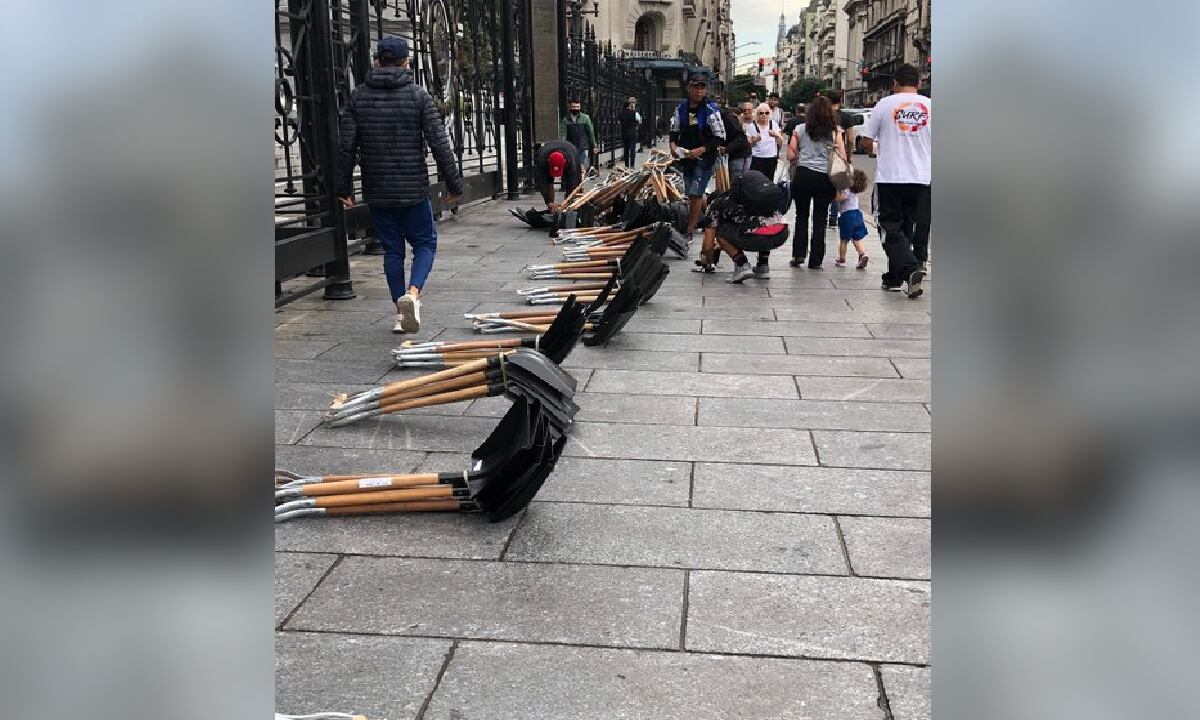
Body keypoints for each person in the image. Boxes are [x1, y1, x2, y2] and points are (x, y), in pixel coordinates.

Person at [337, 36, 462, 334]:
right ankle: (414, 293)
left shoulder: (359, 97)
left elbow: (346, 147)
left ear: (377, 61)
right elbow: (439, 143)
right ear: (407, 62)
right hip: (413, 189)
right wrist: (453, 183)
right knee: (425, 243)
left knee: (392, 250)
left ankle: (399, 310)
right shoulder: (418, 96)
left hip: (377, 190)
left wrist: (344, 188)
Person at [860, 63, 930, 297]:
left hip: (891, 177)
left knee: (888, 227)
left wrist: (875, 150)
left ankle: (909, 268)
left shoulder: (884, 104)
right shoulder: (932, 106)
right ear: (918, 84)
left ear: (894, 84)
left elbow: (866, 142)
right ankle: (895, 277)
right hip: (922, 178)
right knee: (906, 228)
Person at [786, 95, 848, 269]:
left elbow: (790, 155)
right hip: (825, 178)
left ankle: (798, 255)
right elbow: (842, 158)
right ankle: (816, 260)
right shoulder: (835, 132)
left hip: (803, 176)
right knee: (820, 219)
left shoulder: (799, 128)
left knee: (801, 216)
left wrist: (801, 154)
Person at [669, 73, 726, 238]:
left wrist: (702, 150)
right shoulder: (681, 108)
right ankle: (710, 216)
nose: (699, 91)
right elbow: (674, 130)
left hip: (704, 159)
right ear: (689, 88)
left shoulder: (711, 109)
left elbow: (719, 136)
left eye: (702, 88)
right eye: (696, 87)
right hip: (686, 157)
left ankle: (690, 230)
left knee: (695, 193)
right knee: (691, 192)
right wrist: (673, 146)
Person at [822, 89, 864, 229]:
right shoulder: (846, 117)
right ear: (840, 101)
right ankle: (833, 217)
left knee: (823, 185)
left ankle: (821, 214)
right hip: (839, 156)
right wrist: (848, 155)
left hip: (822, 155)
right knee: (837, 184)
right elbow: (851, 139)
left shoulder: (822, 116)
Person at [834, 168, 871, 269]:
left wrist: (836, 192)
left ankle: (842, 260)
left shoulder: (847, 188)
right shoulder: (855, 190)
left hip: (847, 216)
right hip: (858, 215)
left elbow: (840, 198)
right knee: (857, 238)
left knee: (844, 240)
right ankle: (862, 254)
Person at [533, 140, 582, 212]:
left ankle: (574, 206)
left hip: (570, 149)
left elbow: (572, 183)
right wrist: (548, 201)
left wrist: (567, 202)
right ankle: (551, 207)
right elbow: (542, 182)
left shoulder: (571, 160)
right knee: (548, 181)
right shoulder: (542, 159)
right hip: (547, 152)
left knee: (576, 183)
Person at [746, 103, 784, 180]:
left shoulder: (774, 124)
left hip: (771, 157)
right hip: (757, 157)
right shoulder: (751, 126)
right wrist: (755, 140)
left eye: (766, 113)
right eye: (761, 113)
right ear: (757, 114)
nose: (764, 115)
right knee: (756, 181)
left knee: (769, 180)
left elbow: (780, 142)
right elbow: (748, 145)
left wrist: (776, 136)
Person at [717, 100, 751, 183]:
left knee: (738, 182)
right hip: (732, 154)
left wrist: (726, 149)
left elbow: (740, 138)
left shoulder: (727, 118)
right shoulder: (724, 117)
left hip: (740, 154)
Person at [559, 98, 597, 172]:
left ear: (580, 107)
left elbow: (590, 133)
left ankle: (580, 183)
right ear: (570, 107)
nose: (575, 109)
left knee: (582, 168)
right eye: (573, 107)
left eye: (577, 107)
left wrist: (594, 146)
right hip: (570, 148)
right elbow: (562, 134)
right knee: (572, 168)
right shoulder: (565, 120)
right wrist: (562, 147)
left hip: (583, 147)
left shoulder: (585, 118)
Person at [618, 97, 642, 168]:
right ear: (629, 105)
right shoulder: (634, 113)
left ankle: (626, 165)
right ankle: (632, 165)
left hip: (624, 133)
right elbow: (639, 120)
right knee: (632, 149)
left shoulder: (621, 113)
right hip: (632, 133)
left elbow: (619, 121)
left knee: (626, 149)